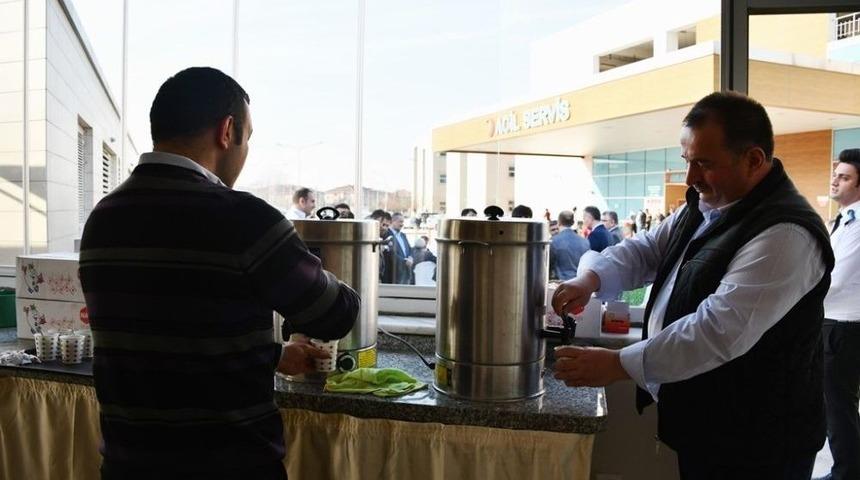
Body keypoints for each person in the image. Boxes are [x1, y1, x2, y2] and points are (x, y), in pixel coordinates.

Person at [78, 67, 360, 480]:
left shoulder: (103, 217)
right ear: (227, 132)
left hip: (128, 465)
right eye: (248, 137)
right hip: (229, 464)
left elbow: (171, 339)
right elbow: (336, 313)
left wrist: (276, 356)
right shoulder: (245, 218)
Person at [551, 91, 834, 479]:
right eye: (688, 161)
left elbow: (717, 331)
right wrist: (591, 278)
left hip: (760, 441)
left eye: (704, 163)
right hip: (712, 424)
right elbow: (647, 250)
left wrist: (619, 363)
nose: (690, 178)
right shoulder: (707, 205)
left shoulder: (785, 234)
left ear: (753, 159)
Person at [818, 148, 860, 480]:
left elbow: (834, 277)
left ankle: (846, 472)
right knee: (835, 407)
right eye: (836, 173)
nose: (834, 180)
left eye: (844, 177)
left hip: (842, 327)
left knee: (839, 409)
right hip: (832, 323)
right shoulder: (845, 218)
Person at [549, 210, 590, 281]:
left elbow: (549, 265)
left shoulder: (553, 241)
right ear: (573, 222)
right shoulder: (585, 242)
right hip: (580, 282)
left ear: (559, 222)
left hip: (561, 283)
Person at [386, 212, 413, 284]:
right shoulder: (387, 235)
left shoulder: (403, 235)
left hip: (406, 272)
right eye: (400, 222)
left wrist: (410, 257)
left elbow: (409, 249)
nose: (402, 224)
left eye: (403, 222)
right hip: (394, 274)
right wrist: (404, 261)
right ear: (393, 222)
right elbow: (390, 254)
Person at [369, 209, 392, 282]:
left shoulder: (383, 240)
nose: (384, 228)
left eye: (387, 225)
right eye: (382, 224)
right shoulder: (366, 241)